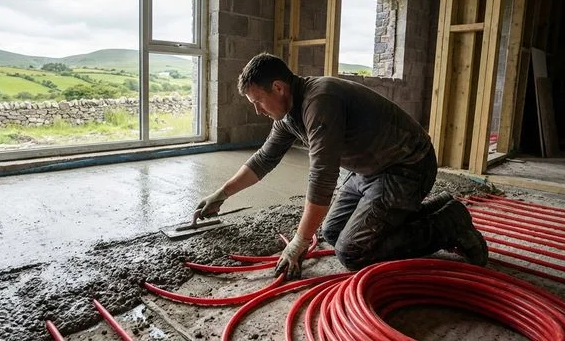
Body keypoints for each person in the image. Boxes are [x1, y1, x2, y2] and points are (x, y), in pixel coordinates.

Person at [193, 53, 488, 279]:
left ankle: (449, 222)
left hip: (407, 166)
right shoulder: (287, 115)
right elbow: (264, 159)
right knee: (333, 233)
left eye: (258, 101)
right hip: (368, 171)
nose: (257, 110)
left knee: (352, 252)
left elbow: (322, 176)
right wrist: (221, 194)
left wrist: (298, 243)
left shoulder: (319, 101)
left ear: (279, 88)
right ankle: (437, 209)